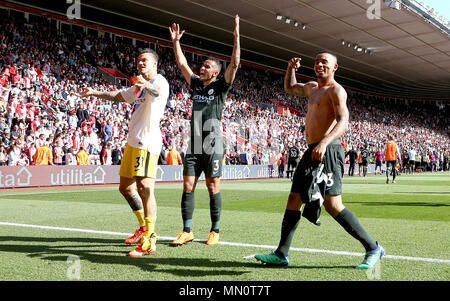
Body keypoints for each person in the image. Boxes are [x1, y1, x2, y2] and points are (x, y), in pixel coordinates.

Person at [254, 52, 384, 269]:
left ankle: (373, 248)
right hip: (312, 150)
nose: (319, 64)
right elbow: (290, 87)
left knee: (333, 205)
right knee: (294, 198)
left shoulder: (336, 90)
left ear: (335, 67)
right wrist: (290, 68)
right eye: (317, 61)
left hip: (329, 150)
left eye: (325, 61)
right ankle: (281, 254)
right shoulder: (312, 87)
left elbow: (344, 122)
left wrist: (324, 143)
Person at [78, 48, 170, 257]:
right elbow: (118, 96)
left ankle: (150, 239)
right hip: (132, 143)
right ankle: (143, 227)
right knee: (126, 188)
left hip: (146, 142)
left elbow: (156, 93)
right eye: (138, 61)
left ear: (155, 64)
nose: (140, 63)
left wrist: (144, 84)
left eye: (145, 60)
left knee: (145, 187)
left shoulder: (159, 82)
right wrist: (93, 92)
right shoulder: (137, 88)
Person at [169, 14, 240, 246]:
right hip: (195, 142)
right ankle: (187, 230)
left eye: (207, 66)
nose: (202, 67)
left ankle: (215, 230)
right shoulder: (196, 84)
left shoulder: (221, 87)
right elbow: (182, 64)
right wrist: (176, 42)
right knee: (188, 185)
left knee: (212, 186)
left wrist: (236, 36)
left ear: (216, 73)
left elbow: (235, 63)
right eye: (202, 65)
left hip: (213, 142)